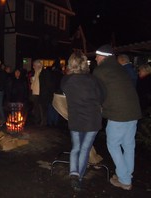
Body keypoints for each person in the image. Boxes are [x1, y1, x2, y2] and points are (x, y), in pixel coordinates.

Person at [93, 44, 142, 190]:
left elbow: (97, 94)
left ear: (102, 56)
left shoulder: (100, 70)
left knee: (113, 145)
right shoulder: (120, 68)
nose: (95, 58)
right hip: (133, 112)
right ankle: (127, 174)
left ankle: (125, 180)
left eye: (96, 55)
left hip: (118, 114)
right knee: (128, 145)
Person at [60, 51, 104, 190]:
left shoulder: (66, 80)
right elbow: (102, 97)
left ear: (70, 64)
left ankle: (73, 172)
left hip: (76, 118)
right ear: (85, 64)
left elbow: (65, 94)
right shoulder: (93, 80)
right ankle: (78, 177)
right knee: (85, 149)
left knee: (76, 148)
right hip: (92, 120)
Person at [30, 60, 53, 126]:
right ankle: (37, 121)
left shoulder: (45, 72)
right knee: (36, 109)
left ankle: (43, 123)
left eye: (34, 65)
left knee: (42, 109)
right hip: (35, 93)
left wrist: (47, 93)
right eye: (33, 65)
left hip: (42, 94)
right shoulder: (35, 73)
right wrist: (32, 81)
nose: (33, 67)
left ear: (39, 66)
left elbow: (48, 84)